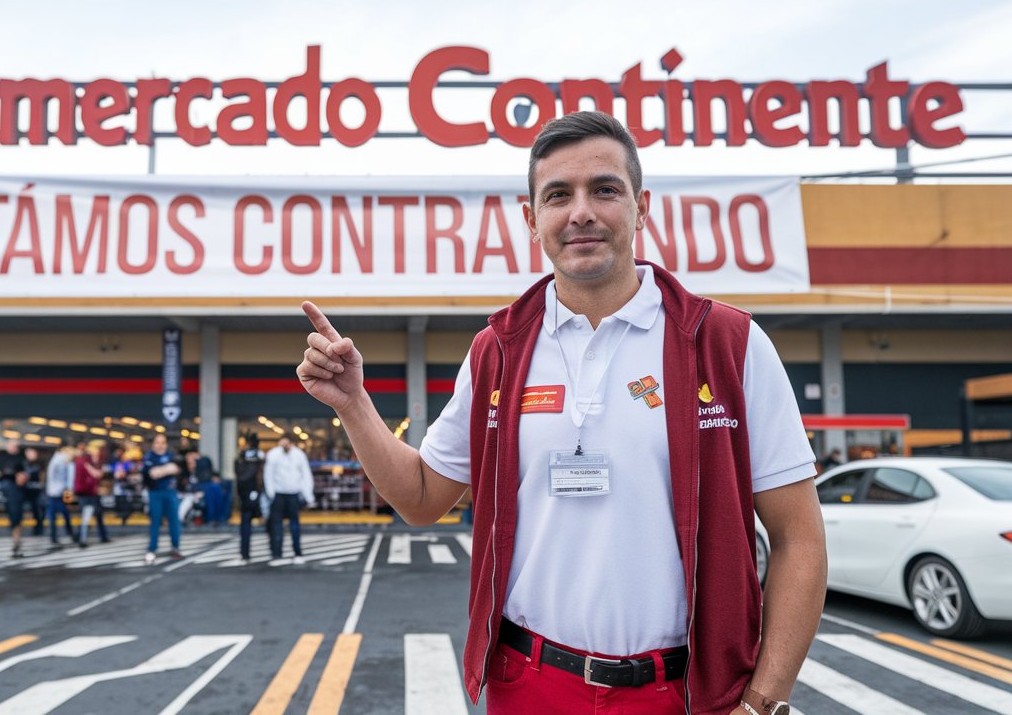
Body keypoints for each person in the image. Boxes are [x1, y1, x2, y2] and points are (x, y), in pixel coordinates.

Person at [296, 111, 827, 715]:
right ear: (531, 219)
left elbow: (798, 538)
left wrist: (762, 702)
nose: (581, 212)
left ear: (641, 206)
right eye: (558, 195)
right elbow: (421, 498)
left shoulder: (727, 343)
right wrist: (353, 405)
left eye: (605, 189)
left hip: (687, 692)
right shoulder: (498, 349)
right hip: (529, 685)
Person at [263, 435, 313, 564]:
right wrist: (271, 494)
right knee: (277, 525)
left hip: (293, 493)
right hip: (278, 494)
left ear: (290, 442)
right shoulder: (274, 455)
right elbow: (268, 475)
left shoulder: (299, 455)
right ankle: (277, 554)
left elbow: (305, 475)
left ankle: (298, 553)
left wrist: (307, 495)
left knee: (294, 525)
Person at [142, 433, 183, 564]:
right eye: (157, 442)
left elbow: (176, 469)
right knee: (155, 521)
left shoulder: (171, 455)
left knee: (174, 521)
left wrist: (161, 470)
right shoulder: (149, 457)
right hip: (155, 493)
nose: (160, 445)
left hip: (170, 492)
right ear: (153, 444)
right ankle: (152, 548)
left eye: (162, 442)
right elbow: (152, 474)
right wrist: (167, 469)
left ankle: (175, 547)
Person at [0, 440, 32, 558]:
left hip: (17, 491)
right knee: (12, 515)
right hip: (6, 490)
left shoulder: (21, 458)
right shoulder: (1, 457)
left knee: (16, 515)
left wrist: (21, 476)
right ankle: (16, 540)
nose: (14, 448)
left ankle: (16, 541)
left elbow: (26, 472)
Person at [235, 433, 266, 562]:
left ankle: (245, 552)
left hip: (254, 493)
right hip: (249, 493)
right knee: (247, 524)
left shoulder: (255, 457)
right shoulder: (245, 460)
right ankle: (244, 552)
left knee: (268, 523)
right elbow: (241, 475)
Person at [73, 441, 110, 548]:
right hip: (85, 492)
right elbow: (96, 474)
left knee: (98, 513)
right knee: (87, 514)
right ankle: (82, 539)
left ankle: (101, 536)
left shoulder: (92, 461)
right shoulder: (84, 460)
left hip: (91, 492)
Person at [44, 445, 77, 547]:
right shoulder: (67, 462)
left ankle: (54, 537)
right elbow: (70, 480)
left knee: (54, 515)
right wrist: (70, 496)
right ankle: (70, 534)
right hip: (64, 492)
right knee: (66, 513)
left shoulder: (55, 460)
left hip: (54, 492)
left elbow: (50, 477)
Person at [22, 446, 47, 536]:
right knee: (29, 509)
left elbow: (43, 476)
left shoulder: (40, 464)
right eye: (29, 453)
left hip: (38, 491)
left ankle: (39, 528)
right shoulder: (24, 464)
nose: (32, 455)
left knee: (39, 510)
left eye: (33, 453)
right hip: (28, 490)